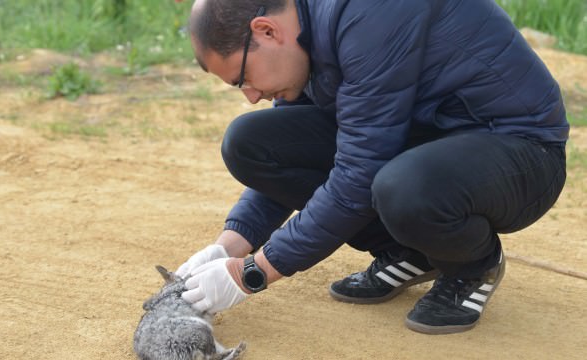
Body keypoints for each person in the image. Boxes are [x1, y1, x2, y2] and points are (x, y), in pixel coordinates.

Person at [175, 0, 568, 334]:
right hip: (422, 141)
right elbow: (295, 151)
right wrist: (230, 244)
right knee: (252, 143)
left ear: (266, 31)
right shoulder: (306, 29)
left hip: (519, 149)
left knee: (405, 187)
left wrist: (253, 273)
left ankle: (473, 266)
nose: (251, 96)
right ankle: (413, 253)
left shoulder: (368, 14)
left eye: (243, 78)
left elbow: (360, 170)